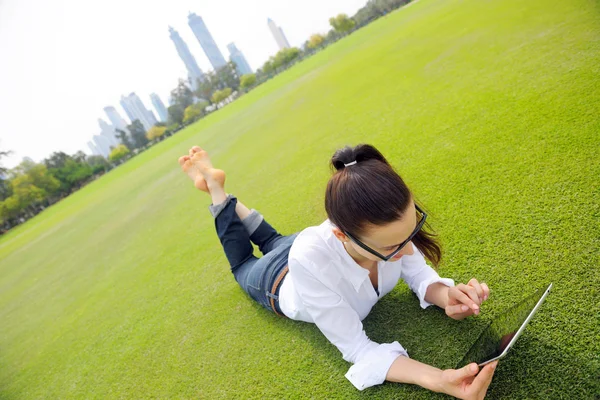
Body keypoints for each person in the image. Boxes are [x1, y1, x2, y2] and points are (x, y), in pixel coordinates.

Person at [178, 144, 498, 399]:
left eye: (411, 234)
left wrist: (447, 297)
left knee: (274, 239)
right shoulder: (312, 257)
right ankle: (217, 192)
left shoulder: (388, 233)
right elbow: (358, 348)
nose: (407, 249)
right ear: (342, 233)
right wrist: (439, 379)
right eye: (392, 247)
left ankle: (220, 187)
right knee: (243, 263)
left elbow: (420, 276)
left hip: (307, 247)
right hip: (277, 280)